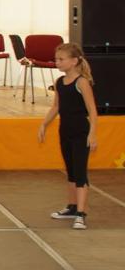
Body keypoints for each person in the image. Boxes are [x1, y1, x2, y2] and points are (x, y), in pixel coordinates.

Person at [38, 42, 98, 230]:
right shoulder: (59, 82)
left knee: (80, 173)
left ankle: (81, 213)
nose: (57, 62)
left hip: (81, 133)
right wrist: (44, 124)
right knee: (71, 171)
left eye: (61, 59)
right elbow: (56, 106)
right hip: (65, 131)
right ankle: (72, 207)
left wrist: (92, 134)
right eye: (56, 59)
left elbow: (92, 110)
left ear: (74, 61)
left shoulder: (81, 82)